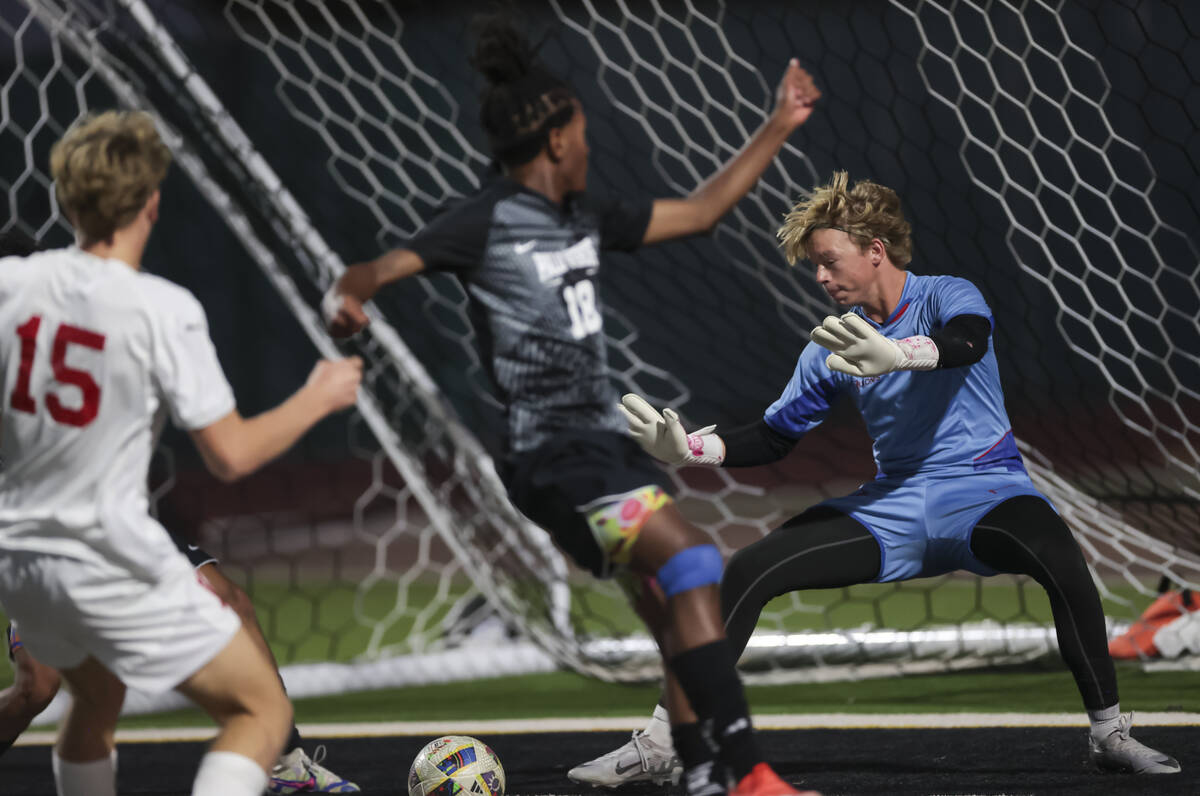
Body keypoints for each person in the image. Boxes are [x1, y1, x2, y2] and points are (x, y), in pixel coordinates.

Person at [324, 14, 822, 796]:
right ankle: (747, 771)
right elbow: (371, 270)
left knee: (675, 613)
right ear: (557, 139)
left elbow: (701, 212)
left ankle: (704, 778)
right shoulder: (483, 222)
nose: (590, 144)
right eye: (583, 130)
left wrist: (779, 124)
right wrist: (348, 300)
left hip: (599, 452)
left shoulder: (587, 218)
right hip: (551, 456)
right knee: (694, 562)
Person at [570, 170, 1182, 787]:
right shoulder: (828, 346)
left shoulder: (946, 294)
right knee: (751, 568)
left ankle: (1108, 733)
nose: (821, 278)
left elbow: (968, 340)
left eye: (829, 262)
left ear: (875, 251)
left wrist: (901, 353)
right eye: (815, 266)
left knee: (1060, 557)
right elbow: (775, 436)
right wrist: (689, 449)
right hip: (895, 504)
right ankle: (662, 741)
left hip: (987, 489)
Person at [0, 110, 363, 796]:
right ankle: (280, 768)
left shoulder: (13, 287)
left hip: (21, 556)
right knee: (258, 708)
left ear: (66, 197)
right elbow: (230, 455)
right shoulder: (162, 308)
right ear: (151, 202)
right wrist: (318, 396)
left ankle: (285, 774)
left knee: (96, 700)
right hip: (104, 548)